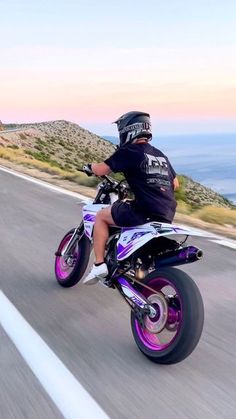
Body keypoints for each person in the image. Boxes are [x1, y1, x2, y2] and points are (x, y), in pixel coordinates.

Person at [83, 111, 179, 285]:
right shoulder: (160, 155)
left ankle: (99, 265)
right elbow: (176, 183)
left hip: (143, 210)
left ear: (129, 129)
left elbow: (100, 170)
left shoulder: (129, 151)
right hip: (167, 212)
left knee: (101, 217)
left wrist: (90, 166)